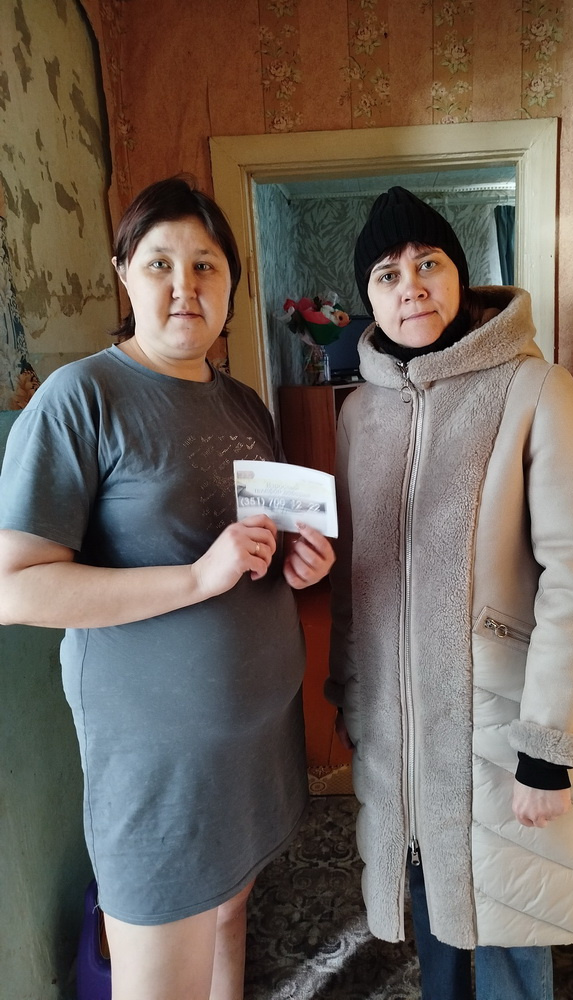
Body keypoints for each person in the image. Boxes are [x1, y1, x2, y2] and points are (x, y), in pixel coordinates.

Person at [0, 176, 335, 1000]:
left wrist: (297, 564)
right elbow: (16, 589)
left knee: (228, 925)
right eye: (160, 264)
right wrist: (195, 578)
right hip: (156, 769)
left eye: (206, 266)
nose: (185, 286)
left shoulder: (243, 403)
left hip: (251, 750)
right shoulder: (82, 398)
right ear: (125, 274)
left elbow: (249, 545)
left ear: (230, 286)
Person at [327, 186, 573, 1000]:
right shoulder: (360, 415)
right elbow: (356, 576)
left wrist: (549, 746)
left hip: (502, 731)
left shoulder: (536, 390)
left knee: (511, 931)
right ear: (369, 297)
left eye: (428, 264)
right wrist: (352, 693)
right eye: (387, 275)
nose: (411, 286)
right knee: (434, 918)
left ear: (460, 273)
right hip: (402, 735)